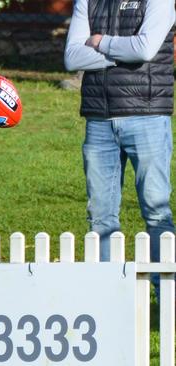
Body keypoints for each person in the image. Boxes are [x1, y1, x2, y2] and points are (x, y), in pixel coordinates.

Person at [64, 0, 175, 289]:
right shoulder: (86, 1)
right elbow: (73, 57)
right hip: (99, 119)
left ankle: (166, 297)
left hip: (148, 115)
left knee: (156, 211)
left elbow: (147, 49)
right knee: (100, 218)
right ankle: (107, 297)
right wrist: (126, 52)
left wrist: (100, 42)